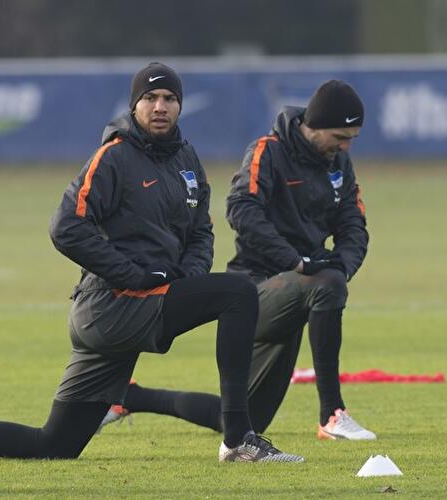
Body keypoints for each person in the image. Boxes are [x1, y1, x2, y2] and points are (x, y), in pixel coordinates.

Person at [0, 62, 302, 463]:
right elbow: (66, 227)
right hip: (111, 308)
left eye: (169, 98)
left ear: (180, 106)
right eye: (150, 98)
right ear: (134, 106)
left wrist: (187, 278)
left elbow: (201, 230)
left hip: (139, 306)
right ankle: (239, 439)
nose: (160, 106)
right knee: (237, 292)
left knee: (53, 446)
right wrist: (131, 274)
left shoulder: (186, 157)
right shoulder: (113, 157)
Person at [102, 80, 375, 441]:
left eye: (352, 137)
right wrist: (296, 262)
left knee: (246, 420)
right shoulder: (268, 152)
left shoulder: (340, 163)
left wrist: (342, 265)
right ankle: (332, 414)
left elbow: (354, 224)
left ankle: (130, 396)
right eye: (340, 136)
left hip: (301, 289)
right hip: (255, 290)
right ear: (315, 125)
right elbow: (242, 211)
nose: (346, 145)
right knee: (326, 286)